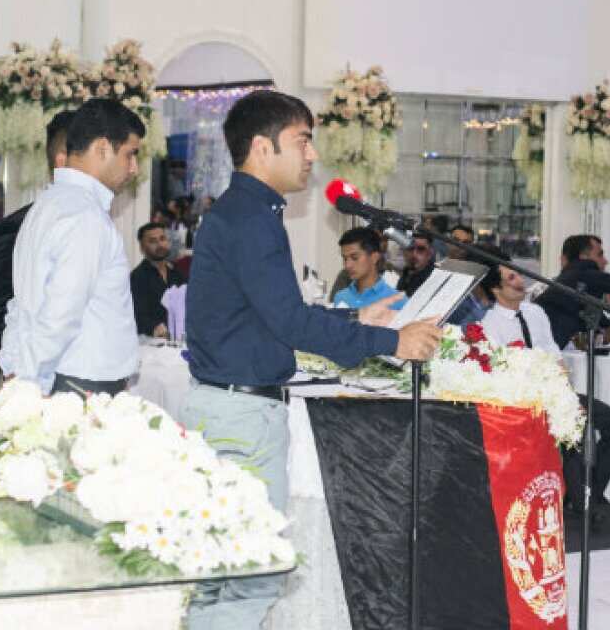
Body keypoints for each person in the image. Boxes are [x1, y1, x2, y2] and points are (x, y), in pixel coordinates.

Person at [183, 90, 441, 629]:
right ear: (263, 147)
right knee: (250, 579)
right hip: (243, 416)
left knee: (222, 579)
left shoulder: (241, 212)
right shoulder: (252, 219)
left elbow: (270, 313)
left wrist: (357, 319)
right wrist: (393, 343)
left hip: (227, 407)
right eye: (302, 140)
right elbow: (290, 323)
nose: (312, 155)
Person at [0, 99, 144, 394]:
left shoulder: (46, 204)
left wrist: (16, 371)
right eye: (130, 155)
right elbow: (60, 316)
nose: (134, 168)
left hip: (63, 378)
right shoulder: (84, 215)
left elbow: (22, 306)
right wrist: (22, 382)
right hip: (83, 384)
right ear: (102, 148)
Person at [478, 247, 610, 522]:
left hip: (556, 393)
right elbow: (504, 376)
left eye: (518, 274)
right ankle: (584, 504)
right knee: (571, 427)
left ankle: (586, 493)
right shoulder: (490, 325)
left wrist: (565, 394)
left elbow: (553, 353)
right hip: (522, 402)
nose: (520, 281)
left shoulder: (535, 312)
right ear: (495, 290)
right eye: (511, 278)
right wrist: (556, 402)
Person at [0, 110, 73, 356]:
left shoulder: (96, 222)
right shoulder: (17, 225)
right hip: (35, 364)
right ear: (63, 160)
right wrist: (11, 367)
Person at [129, 222, 186, 338]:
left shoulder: (177, 274)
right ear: (142, 248)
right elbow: (137, 316)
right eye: (153, 241)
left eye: (162, 239)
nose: (160, 244)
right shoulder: (137, 277)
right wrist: (154, 327)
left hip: (179, 338)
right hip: (150, 342)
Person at [331, 227, 406, 310]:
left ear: (374, 257)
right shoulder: (340, 297)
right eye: (345, 259)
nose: (347, 265)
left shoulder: (398, 301)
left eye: (355, 258)